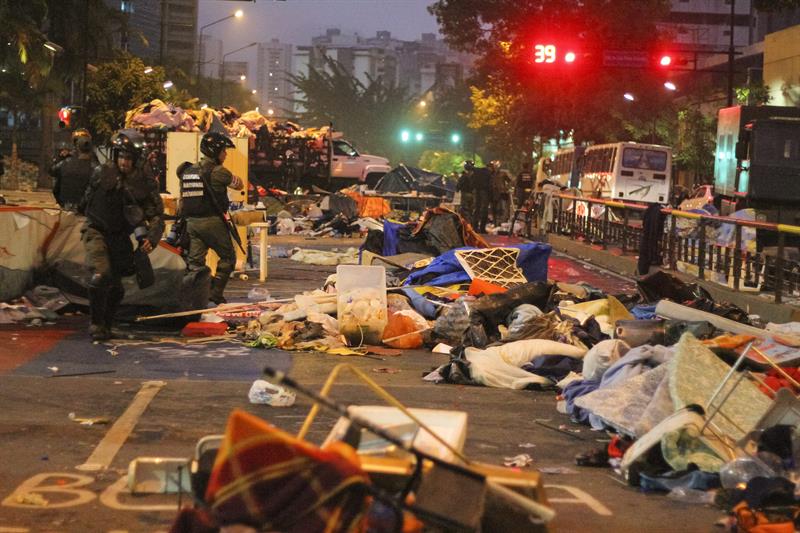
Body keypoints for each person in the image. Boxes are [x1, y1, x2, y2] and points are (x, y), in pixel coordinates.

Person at [80, 130, 164, 341]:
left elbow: (156, 215)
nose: (124, 162)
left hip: (119, 235)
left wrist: (151, 238)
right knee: (101, 274)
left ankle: (106, 326)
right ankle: (96, 323)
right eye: (122, 156)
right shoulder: (101, 173)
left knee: (117, 288)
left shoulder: (143, 183)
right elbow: (86, 202)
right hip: (96, 230)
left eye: (129, 158)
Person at [180, 131, 244, 305]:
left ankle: (196, 296)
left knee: (195, 263)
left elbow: (182, 200)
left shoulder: (187, 171)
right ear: (214, 151)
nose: (225, 154)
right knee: (228, 257)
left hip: (191, 223)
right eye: (223, 151)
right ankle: (214, 293)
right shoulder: (219, 172)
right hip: (212, 221)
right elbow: (240, 185)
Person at [51, 130, 97, 211]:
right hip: (70, 206)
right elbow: (55, 177)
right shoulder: (67, 158)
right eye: (77, 141)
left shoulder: (92, 161)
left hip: (82, 208)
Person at [470, 163, 494, 233]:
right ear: (490, 168)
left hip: (476, 191)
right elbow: (490, 185)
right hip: (484, 192)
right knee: (484, 210)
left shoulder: (478, 171)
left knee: (476, 209)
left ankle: (474, 227)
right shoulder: (488, 173)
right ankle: (482, 228)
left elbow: (471, 180)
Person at [489, 160, 512, 226]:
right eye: (493, 166)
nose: (494, 167)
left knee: (501, 209)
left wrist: (506, 188)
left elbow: (510, 181)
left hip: (501, 193)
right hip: (492, 194)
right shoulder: (490, 174)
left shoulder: (503, 173)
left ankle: (500, 223)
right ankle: (495, 223)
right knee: (493, 209)